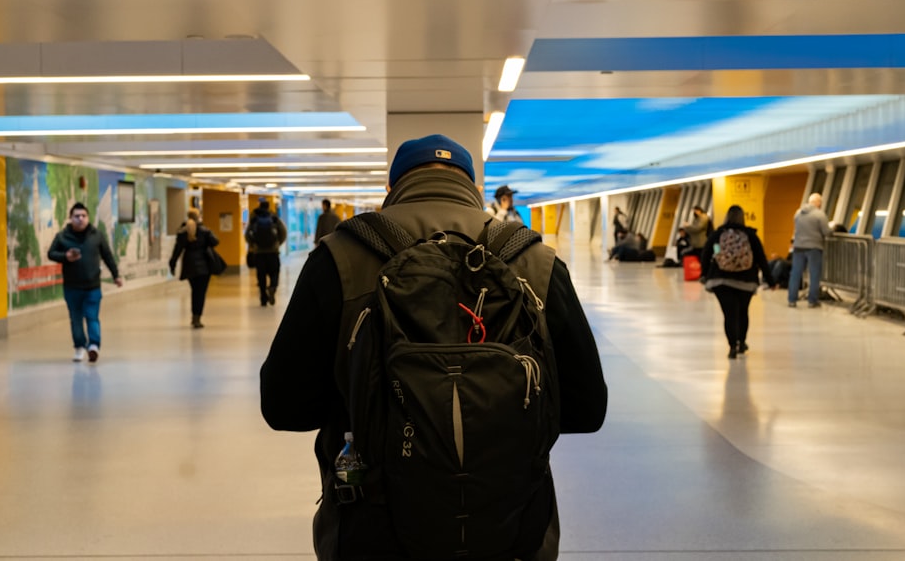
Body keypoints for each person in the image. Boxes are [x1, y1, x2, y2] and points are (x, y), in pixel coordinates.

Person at [260, 133, 607, 561]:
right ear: (473, 187)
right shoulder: (535, 261)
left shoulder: (339, 259)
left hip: (372, 528)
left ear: (392, 189)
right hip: (513, 525)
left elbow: (284, 408)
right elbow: (587, 410)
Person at [47, 201, 123, 363]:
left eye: (83, 216)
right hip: (71, 287)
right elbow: (51, 253)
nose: (80, 219)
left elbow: (107, 256)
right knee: (76, 318)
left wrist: (116, 275)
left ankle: (94, 345)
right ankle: (79, 346)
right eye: (76, 216)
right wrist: (65, 256)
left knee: (92, 316)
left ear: (88, 218)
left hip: (92, 286)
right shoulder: (62, 237)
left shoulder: (97, 235)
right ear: (70, 218)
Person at [700, 205, 774, 359]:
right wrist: (770, 280)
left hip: (721, 280)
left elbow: (707, 253)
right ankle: (742, 342)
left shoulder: (718, 235)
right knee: (742, 312)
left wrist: (705, 274)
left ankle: (732, 346)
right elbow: (761, 257)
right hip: (745, 280)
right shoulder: (750, 235)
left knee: (729, 314)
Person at [169, 208, 219, 328]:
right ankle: (197, 318)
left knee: (194, 291)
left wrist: (173, 264)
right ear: (198, 217)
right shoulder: (204, 231)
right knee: (200, 293)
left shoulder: (183, 232)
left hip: (189, 265)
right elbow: (216, 241)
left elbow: (177, 250)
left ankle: (194, 316)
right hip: (204, 266)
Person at [787, 192, 832, 309]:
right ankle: (812, 301)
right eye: (820, 203)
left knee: (795, 274)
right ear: (818, 203)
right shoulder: (819, 215)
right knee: (814, 274)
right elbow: (826, 231)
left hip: (798, 247)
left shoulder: (798, 213)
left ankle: (792, 299)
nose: (821, 205)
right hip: (814, 248)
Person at [246, 198, 287, 306]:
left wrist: (253, 245)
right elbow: (283, 231)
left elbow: (247, 234)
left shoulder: (254, 218)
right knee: (275, 272)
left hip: (259, 252)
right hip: (273, 252)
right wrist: (278, 243)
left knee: (261, 275)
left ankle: (263, 299)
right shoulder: (273, 217)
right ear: (268, 206)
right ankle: (272, 287)